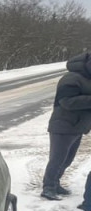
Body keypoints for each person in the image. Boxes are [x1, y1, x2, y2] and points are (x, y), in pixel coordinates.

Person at [41, 51, 91, 200]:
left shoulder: (87, 79)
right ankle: (48, 187)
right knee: (57, 158)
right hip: (63, 125)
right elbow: (66, 101)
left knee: (67, 159)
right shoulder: (71, 77)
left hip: (77, 126)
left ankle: (55, 183)